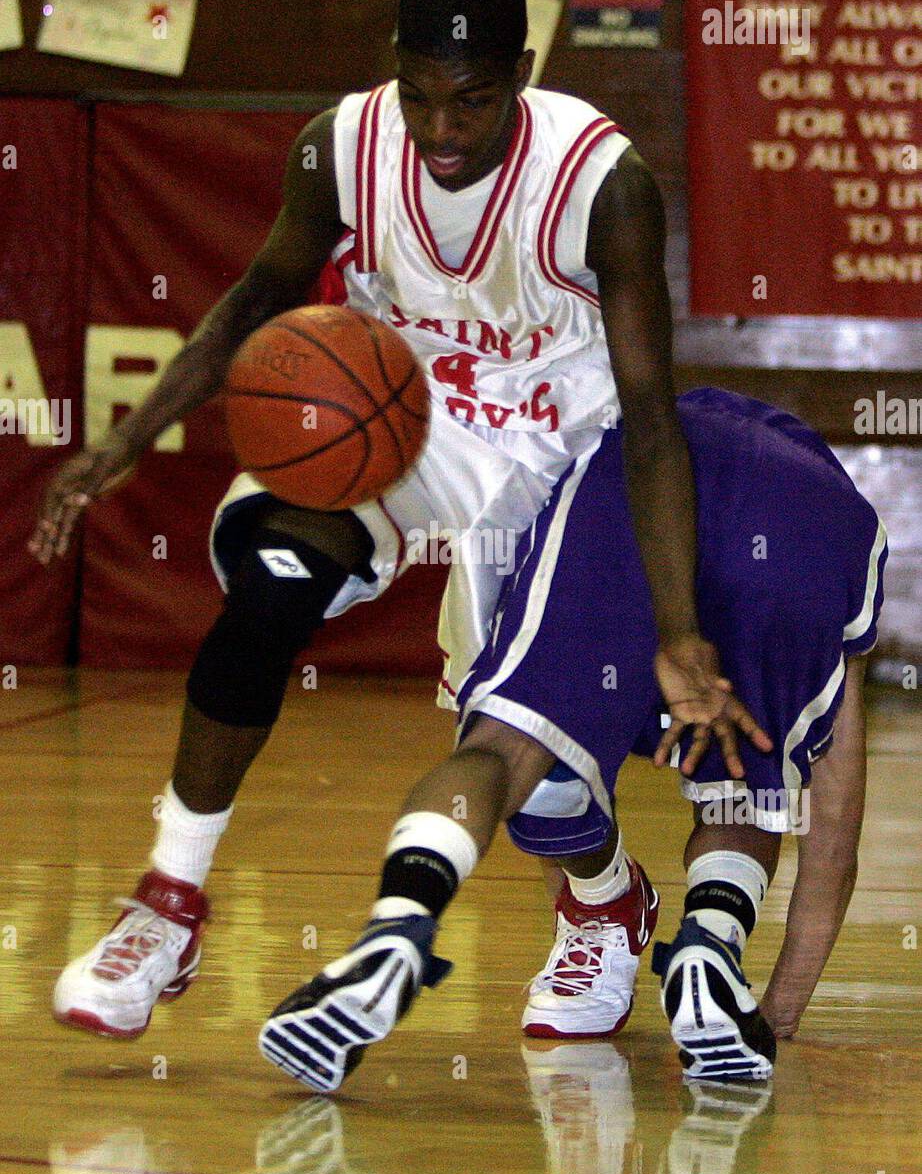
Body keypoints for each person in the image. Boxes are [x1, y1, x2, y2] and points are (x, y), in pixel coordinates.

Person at [33, 0, 750, 1039]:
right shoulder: (342, 146)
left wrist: (680, 624)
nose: (441, 129)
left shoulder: (605, 187)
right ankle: (168, 902)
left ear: (521, 69)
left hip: (559, 449)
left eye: (471, 99)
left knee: (512, 739)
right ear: (393, 74)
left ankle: (605, 902)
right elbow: (258, 295)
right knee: (273, 581)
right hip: (401, 414)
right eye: (419, 94)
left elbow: (652, 417)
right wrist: (127, 438)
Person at [258, 389, 886, 1090]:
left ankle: (405, 919)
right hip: (804, 529)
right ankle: (710, 942)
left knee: (517, 747)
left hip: (628, 479)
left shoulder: (589, 447)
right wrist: (779, 1014)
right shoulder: (830, 512)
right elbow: (834, 837)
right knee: (745, 784)